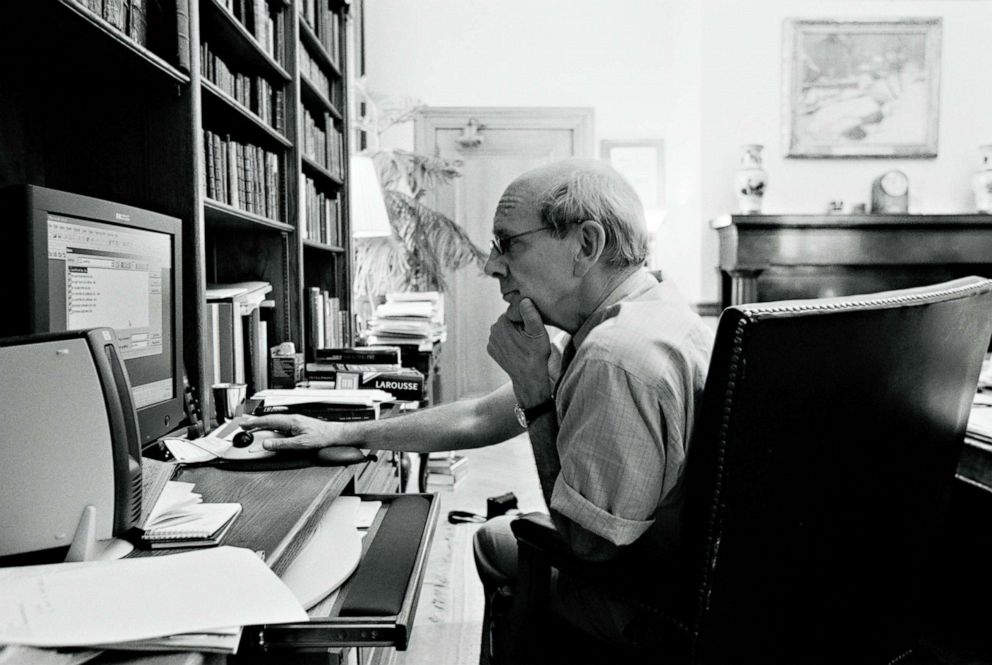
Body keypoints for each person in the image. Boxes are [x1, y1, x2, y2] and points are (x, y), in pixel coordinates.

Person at [248, 158, 714, 658]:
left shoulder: (615, 356)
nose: (492, 265)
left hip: (643, 605)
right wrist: (341, 433)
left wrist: (536, 390)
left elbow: (589, 546)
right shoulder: (647, 311)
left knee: (494, 540)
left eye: (508, 242)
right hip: (683, 577)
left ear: (586, 245)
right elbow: (479, 417)